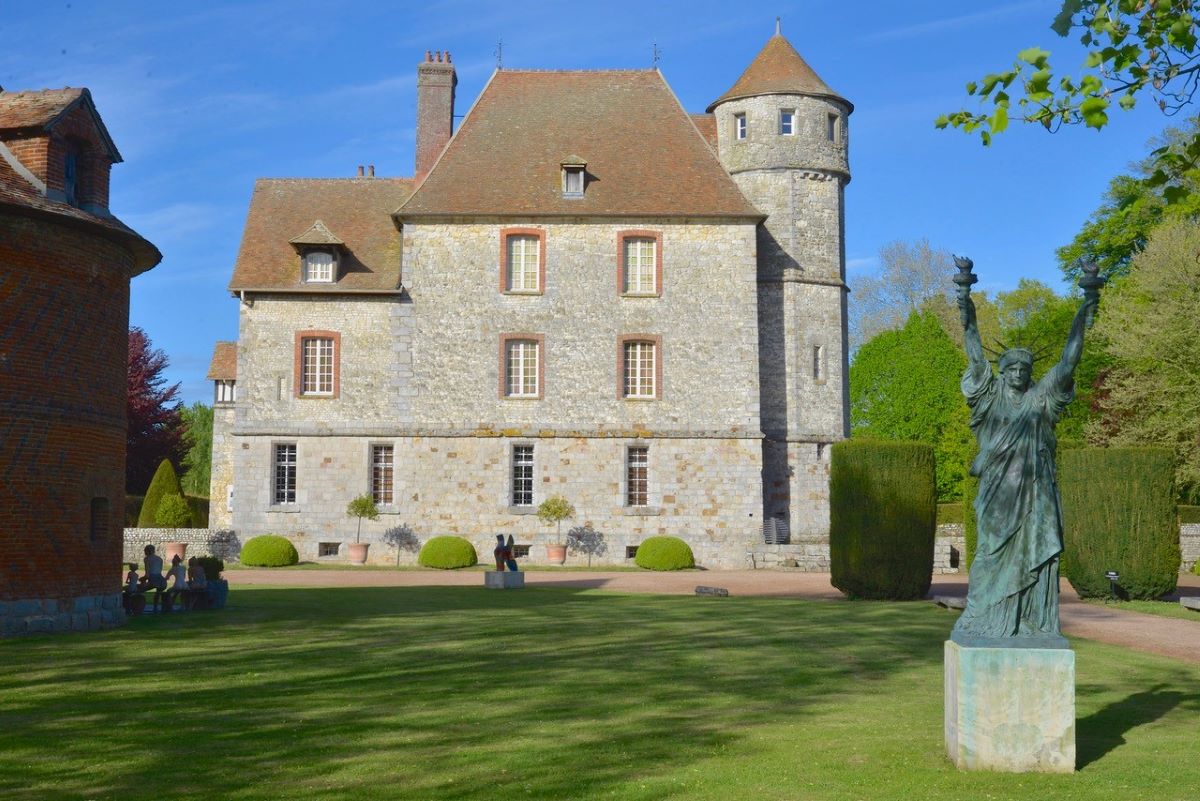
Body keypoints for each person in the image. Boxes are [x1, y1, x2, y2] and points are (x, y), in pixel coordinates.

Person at [950, 255, 1101, 646]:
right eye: (1012, 368)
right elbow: (972, 344)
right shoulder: (988, 396)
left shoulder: (1041, 400)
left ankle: (1032, 623)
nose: (1018, 373)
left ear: (1030, 373)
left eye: (1024, 369)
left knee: (1038, 556)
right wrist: (964, 293)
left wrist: (1086, 304)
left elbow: (1070, 360)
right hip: (998, 495)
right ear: (1003, 372)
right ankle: (983, 618)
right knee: (988, 554)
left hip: (1035, 497)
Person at [139, 545, 167, 610]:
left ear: (148, 551)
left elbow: (147, 574)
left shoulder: (147, 559)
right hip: (161, 580)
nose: (144, 552)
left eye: (145, 550)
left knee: (139, 590)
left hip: (153, 579)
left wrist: (141, 579)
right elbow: (159, 571)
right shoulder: (160, 559)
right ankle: (155, 607)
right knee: (158, 593)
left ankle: (139, 607)